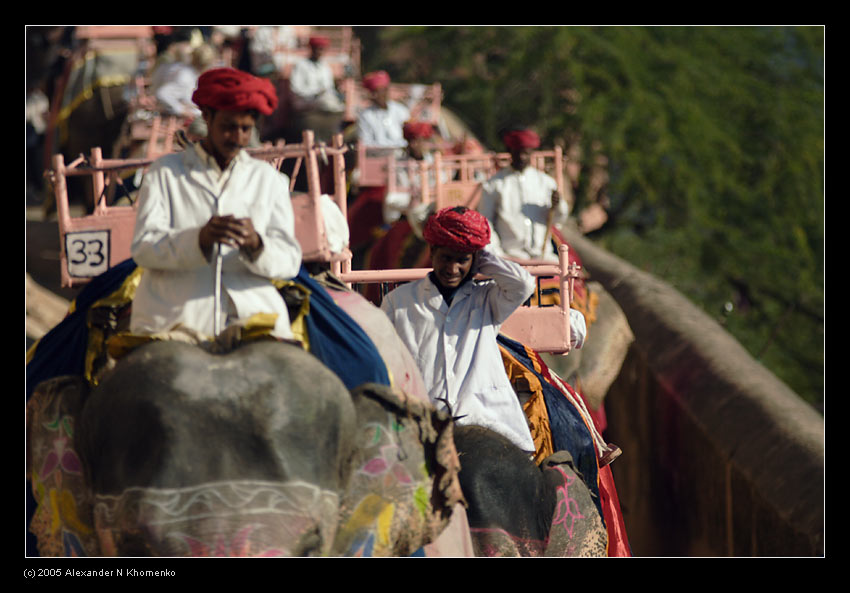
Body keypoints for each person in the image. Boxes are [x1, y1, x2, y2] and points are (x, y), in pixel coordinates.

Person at [380, 206, 587, 453]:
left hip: (486, 420)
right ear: (432, 251)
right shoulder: (398, 302)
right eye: (446, 257)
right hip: (422, 424)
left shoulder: (487, 298)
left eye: (462, 260)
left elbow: (523, 284)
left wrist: (481, 257)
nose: (452, 268)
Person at [130, 67, 302, 343]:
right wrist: (199, 239)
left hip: (254, 315)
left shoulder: (269, 180)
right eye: (228, 127)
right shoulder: (164, 172)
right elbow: (143, 249)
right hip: (172, 319)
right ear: (207, 118)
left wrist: (256, 244)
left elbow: (289, 262)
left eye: (245, 129)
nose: (237, 138)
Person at [478, 128, 570, 261]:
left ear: (532, 153)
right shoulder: (493, 185)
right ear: (510, 152)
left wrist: (558, 205)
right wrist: (498, 253)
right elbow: (486, 223)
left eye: (526, 153)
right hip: (510, 256)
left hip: (543, 255)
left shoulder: (546, 183)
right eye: (518, 153)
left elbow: (559, 219)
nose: (522, 157)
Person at [289, 35, 344, 115]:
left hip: (324, 99)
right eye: (318, 49)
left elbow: (329, 87)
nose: (320, 52)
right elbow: (296, 88)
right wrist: (315, 93)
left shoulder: (325, 67)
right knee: (327, 103)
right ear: (312, 49)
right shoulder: (301, 65)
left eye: (322, 49)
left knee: (337, 103)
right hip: (306, 100)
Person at [356, 70, 410, 149]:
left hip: (401, 153)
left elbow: (408, 134)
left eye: (381, 91)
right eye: (374, 93)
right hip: (378, 155)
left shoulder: (400, 110)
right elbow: (365, 141)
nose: (378, 96)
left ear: (386, 91)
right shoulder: (365, 115)